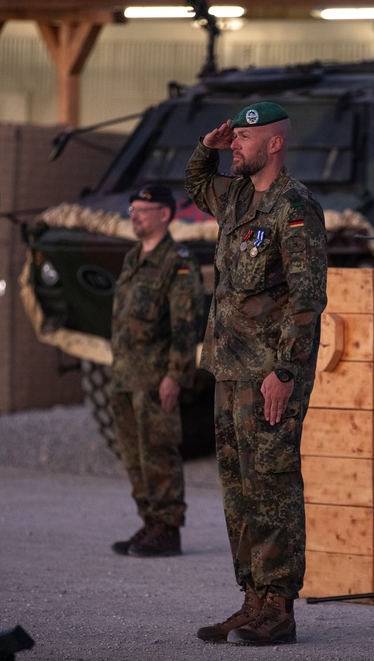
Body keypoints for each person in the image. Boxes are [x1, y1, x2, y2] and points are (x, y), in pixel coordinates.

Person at [185, 101, 327, 646]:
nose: (236, 144)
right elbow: (197, 181)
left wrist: (286, 371)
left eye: (246, 137)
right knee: (239, 490)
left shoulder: (295, 207)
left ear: (276, 144)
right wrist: (209, 145)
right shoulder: (238, 197)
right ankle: (252, 599)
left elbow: (307, 298)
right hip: (229, 369)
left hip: (270, 374)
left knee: (273, 487)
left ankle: (280, 608)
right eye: (234, 137)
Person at [109, 183, 204, 558]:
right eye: (131, 209)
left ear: (164, 215)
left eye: (141, 211)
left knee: (159, 449)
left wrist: (175, 376)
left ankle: (167, 528)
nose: (133, 216)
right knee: (134, 453)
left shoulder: (178, 262)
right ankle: (149, 520)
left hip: (154, 377)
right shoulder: (133, 258)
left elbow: (186, 325)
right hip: (125, 376)